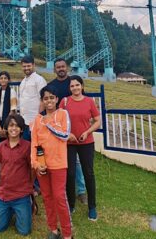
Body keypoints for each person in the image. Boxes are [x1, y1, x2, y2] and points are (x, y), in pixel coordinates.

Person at [31, 87, 72, 239]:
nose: (49, 101)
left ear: (56, 99)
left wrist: (48, 123)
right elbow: (34, 143)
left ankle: (67, 234)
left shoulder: (62, 113)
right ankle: (53, 229)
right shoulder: (37, 119)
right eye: (46, 98)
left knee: (59, 198)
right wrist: (35, 163)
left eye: (52, 97)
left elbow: (65, 134)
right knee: (47, 197)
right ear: (42, 101)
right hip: (42, 165)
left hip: (59, 164)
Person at [61, 75, 101, 221]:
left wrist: (87, 131)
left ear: (82, 86)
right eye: (72, 86)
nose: (75, 88)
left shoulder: (89, 102)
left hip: (86, 142)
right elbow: (59, 121)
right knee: (70, 174)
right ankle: (71, 204)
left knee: (88, 174)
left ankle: (92, 207)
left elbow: (98, 121)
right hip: (69, 143)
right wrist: (68, 134)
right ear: (69, 88)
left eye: (77, 85)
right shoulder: (64, 102)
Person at [46, 58, 86, 202]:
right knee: (58, 159)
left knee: (76, 161)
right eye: (58, 67)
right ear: (54, 69)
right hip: (57, 127)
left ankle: (81, 190)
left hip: (73, 126)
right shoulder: (51, 85)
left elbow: (81, 99)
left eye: (63, 66)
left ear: (67, 68)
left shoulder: (73, 82)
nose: (61, 69)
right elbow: (47, 103)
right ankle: (61, 188)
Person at [0, 113, 33, 236]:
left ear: (21, 129)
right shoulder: (0, 146)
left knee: (24, 231)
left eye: (17, 126)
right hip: (4, 194)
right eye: (11, 125)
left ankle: (27, 205)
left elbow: (32, 169)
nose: (13, 128)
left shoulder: (28, 146)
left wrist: (29, 186)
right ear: (6, 128)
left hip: (21, 194)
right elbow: (1, 166)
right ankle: (9, 211)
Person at [18, 55, 46, 140]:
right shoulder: (23, 81)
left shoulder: (39, 80)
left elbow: (43, 99)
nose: (26, 68)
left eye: (28, 66)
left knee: (36, 148)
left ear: (33, 65)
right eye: (24, 66)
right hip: (24, 121)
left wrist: (39, 119)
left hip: (35, 121)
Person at [0, 71, 16, 140]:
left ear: (8, 80)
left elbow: (13, 109)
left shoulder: (12, 91)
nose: (3, 80)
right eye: (1, 78)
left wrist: (5, 126)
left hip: (8, 122)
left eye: (5, 78)